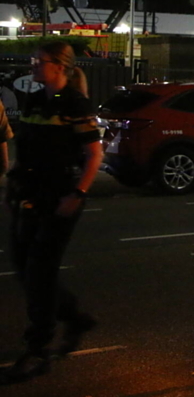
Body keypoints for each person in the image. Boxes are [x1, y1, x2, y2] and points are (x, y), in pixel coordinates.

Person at [1, 42, 101, 384]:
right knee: (23, 266)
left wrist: (78, 193)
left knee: (40, 271)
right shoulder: (34, 100)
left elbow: (93, 153)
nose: (33, 65)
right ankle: (73, 318)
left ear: (59, 66)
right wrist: (12, 186)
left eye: (39, 61)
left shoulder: (75, 104)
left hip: (60, 198)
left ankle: (38, 349)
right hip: (28, 195)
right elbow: (24, 151)